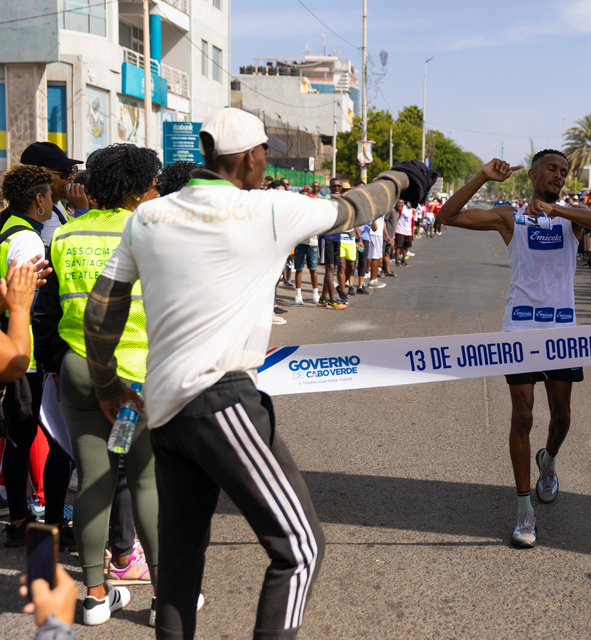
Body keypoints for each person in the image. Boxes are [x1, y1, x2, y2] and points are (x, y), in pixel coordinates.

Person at [81, 107, 434, 638]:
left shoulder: (148, 218)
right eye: (264, 152)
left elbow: (102, 307)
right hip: (220, 401)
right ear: (251, 158)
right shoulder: (267, 210)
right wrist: (402, 177)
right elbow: (355, 208)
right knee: (301, 549)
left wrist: (107, 385)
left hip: (164, 412)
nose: (265, 160)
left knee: (178, 567)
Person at [437, 151, 591, 548]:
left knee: (562, 417)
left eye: (564, 172)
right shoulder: (509, 217)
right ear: (532, 173)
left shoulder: (571, 218)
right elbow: (446, 216)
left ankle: (547, 461)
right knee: (524, 415)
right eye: (552, 169)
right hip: (520, 328)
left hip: (563, 330)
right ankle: (522, 509)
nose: (559, 176)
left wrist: (558, 209)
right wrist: (482, 177)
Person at [34, 144, 162, 626]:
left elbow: (49, 311)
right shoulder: (148, 234)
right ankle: (166, 598)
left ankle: (93, 596)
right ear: (134, 189)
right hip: (130, 379)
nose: (155, 192)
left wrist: (54, 365)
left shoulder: (65, 234)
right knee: (145, 478)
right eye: (151, 183)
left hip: (78, 375)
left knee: (94, 479)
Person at [0, 165, 72, 553]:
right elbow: (27, 301)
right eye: (48, 195)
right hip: (20, 352)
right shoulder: (27, 240)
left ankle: (18, 518)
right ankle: (28, 521)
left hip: (8, 346)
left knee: (16, 437)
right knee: (29, 435)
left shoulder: (3, 227)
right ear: (40, 198)